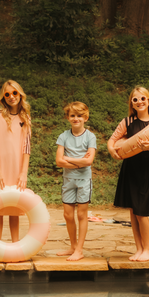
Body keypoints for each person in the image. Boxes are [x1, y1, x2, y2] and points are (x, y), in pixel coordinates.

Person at [107, 87, 149, 262]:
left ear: (148, 101)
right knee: (133, 211)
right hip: (130, 169)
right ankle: (138, 249)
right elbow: (112, 140)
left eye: (142, 99)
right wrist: (112, 151)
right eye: (135, 99)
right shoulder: (127, 122)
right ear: (131, 103)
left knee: (142, 212)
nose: (139, 102)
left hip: (146, 170)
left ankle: (147, 249)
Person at [0, 80, 31, 242]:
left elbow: (27, 146)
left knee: (14, 206)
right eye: (7, 94)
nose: (11, 97)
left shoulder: (25, 116)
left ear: (20, 94)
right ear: (3, 97)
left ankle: (15, 245)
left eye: (14, 93)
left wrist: (23, 172)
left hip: (17, 165)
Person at [55, 102, 96, 261]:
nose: (76, 118)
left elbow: (89, 161)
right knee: (68, 215)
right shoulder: (63, 136)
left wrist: (68, 158)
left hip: (84, 180)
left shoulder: (90, 136)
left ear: (85, 117)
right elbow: (59, 161)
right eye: (72, 115)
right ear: (68, 117)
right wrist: (79, 161)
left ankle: (79, 249)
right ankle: (72, 246)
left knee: (81, 215)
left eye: (79, 116)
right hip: (68, 180)